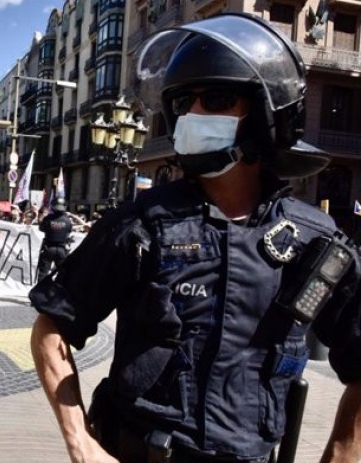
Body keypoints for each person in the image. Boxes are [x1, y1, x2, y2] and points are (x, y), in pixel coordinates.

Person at [29, 13, 361, 463]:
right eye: (184, 102)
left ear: (267, 116)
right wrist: (80, 441)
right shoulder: (140, 224)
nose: (194, 114)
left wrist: (341, 452)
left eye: (218, 99)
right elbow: (52, 325)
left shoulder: (312, 240)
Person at [35, 196, 73, 282]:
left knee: (43, 272)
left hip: (48, 248)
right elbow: (69, 231)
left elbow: (41, 228)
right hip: (62, 249)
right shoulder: (67, 220)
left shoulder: (48, 218)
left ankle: (40, 291)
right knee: (62, 273)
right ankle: (58, 291)